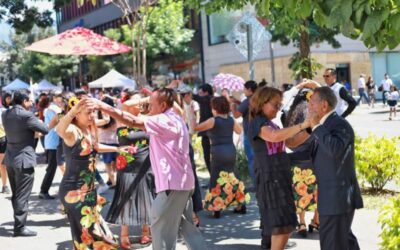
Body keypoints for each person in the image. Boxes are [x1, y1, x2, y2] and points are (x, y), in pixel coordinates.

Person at [93, 87, 206, 250]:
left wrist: (103, 106)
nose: (148, 107)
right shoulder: (175, 116)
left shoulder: (163, 120)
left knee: (159, 226)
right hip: (184, 182)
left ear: (163, 105)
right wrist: (151, 97)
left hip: (171, 184)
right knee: (187, 227)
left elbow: (132, 121)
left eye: (151, 104)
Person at [56, 97, 126, 249]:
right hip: (74, 191)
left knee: (97, 233)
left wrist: (117, 149)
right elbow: (59, 129)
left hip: (89, 190)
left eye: (93, 112)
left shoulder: (88, 129)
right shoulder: (72, 131)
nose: (92, 116)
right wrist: (73, 110)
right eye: (88, 113)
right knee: (86, 236)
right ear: (76, 115)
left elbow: (95, 147)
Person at [299, 86, 363, 250]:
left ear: (324, 105)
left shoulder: (339, 124)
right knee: (344, 242)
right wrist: (281, 159)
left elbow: (334, 149)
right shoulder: (324, 125)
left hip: (338, 198)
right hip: (331, 198)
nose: (309, 107)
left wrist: (316, 127)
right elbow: (311, 153)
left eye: (312, 103)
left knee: (332, 244)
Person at [248, 86, 309, 250]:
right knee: (280, 223)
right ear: (262, 103)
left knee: (284, 222)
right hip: (270, 178)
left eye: (279, 105)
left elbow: (290, 142)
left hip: (279, 176)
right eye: (275, 104)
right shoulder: (257, 122)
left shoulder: (270, 123)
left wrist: (311, 128)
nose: (278, 108)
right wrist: (303, 125)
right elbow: (274, 137)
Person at [106, 93, 155, 249]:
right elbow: (126, 105)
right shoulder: (122, 120)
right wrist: (148, 98)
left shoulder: (147, 119)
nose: (138, 104)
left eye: (140, 101)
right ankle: (124, 234)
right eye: (136, 101)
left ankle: (146, 231)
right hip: (126, 166)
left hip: (147, 165)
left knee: (147, 197)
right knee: (126, 198)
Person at [2, 89, 49, 237]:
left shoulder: (5, 114)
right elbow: (44, 130)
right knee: (22, 195)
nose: (30, 103)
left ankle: (18, 223)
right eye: (29, 100)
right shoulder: (26, 115)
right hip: (23, 160)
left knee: (17, 194)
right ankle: (19, 227)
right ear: (24, 101)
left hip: (10, 158)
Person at [191, 96, 245, 218]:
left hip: (217, 152)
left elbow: (195, 128)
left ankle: (217, 208)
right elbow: (239, 131)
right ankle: (240, 204)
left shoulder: (213, 120)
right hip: (230, 150)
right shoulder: (231, 120)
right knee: (232, 176)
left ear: (215, 108)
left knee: (216, 178)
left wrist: (192, 114)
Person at [231, 80, 257, 189]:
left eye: (245, 89)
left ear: (250, 90)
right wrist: (238, 102)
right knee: (258, 159)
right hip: (260, 132)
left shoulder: (247, 101)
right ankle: (260, 184)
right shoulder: (258, 99)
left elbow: (236, 115)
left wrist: (233, 107)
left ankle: (256, 185)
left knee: (251, 160)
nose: (244, 91)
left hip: (249, 134)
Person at [39, 90, 64, 200]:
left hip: (54, 142)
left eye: (60, 97)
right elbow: (62, 121)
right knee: (51, 168)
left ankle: (44, 190)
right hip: (53, 142)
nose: (59, 99)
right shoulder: (53, 109)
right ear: (53, 98)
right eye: (57, 97)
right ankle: (43, 191)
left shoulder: (53, 109)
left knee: (53, 167)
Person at [192, 84, 213, 176]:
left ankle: (214, 179)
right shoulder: (209, 99)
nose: (199, 94)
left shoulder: (207, 98)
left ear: (206, 92)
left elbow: (197, 97)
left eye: (200, 92)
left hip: (208, 133)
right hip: (207, 133)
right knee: (208, 157)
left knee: (208, 157)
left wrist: (186, 91)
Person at [0, 92, 12, 194]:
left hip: (2, 138)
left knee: (2, 164)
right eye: (8, 98)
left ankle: (4, 185)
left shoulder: (5, 110)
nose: (9, 100)